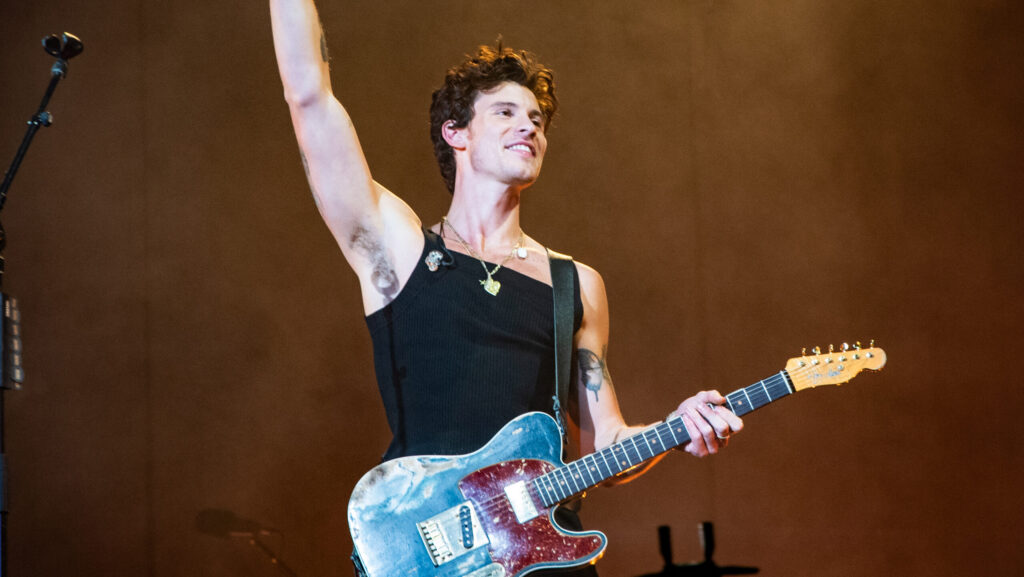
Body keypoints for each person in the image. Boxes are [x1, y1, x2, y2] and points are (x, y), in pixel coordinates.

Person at [269, 1, 744, 575]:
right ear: (456, 133)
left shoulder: (575, 284)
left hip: (544, 561)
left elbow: (606, 442)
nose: (530, 125)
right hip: (427, 554)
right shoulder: (398, 251)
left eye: (537, 118)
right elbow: (309, 98)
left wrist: (677, 427)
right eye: (505, 112)